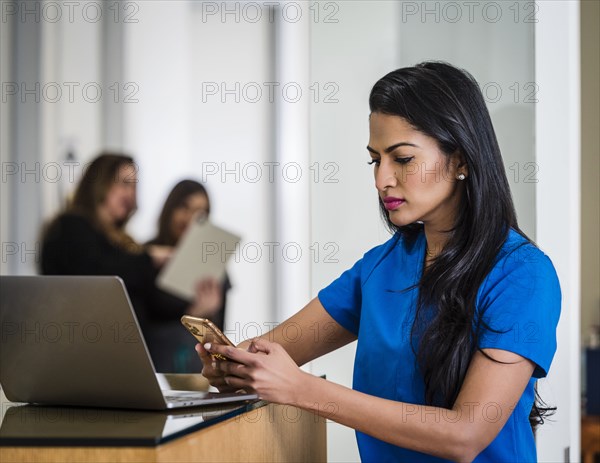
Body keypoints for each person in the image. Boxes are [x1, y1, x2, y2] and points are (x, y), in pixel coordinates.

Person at [197, 62, 561, 462]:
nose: (381, 179)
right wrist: (231, 369)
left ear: (460, 160)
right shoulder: (378, 268)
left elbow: (465, 434)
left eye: (402, 159)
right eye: (375, 160)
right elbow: (271, 356)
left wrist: (301, 389)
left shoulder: (523, 275)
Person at [40, 153, 220, 372]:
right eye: (125, 184)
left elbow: (147, 309)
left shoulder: (122, 243)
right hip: (83, 359)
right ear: (99, 184)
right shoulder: (72, 227)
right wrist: (150, 258)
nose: (131, 194)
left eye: (134, 186)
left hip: (119, 362)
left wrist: (195, 312)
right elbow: (99, 274)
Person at [145, 180, 231, 372]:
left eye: (200, 212)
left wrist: (205, 317)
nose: (190, 217)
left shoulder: (214, 268)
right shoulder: (144, 258)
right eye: (184, 207)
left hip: (193, 371)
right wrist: (193, 317)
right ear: (170, 209)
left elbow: (219, 343)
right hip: (150, 367)